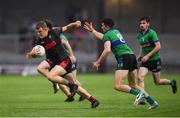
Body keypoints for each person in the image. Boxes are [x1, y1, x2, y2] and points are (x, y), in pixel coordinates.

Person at [84, 18, 158, 109]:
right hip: (131, 56)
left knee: (118, 85)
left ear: (107, 26)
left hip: (123, 58)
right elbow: (104, 37)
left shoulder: (107, 35)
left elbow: (107, 50)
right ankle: (152, 102)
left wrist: (98, 62)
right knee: (133, 85)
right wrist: (93, 31)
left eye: (102, 25)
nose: (101, 27)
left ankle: (139, 94)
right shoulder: (115, 31)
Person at [26, 20, 99, 108]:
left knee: (52, 77)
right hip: (53, 62)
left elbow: (67, 27)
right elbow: (36, 55)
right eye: (37, 32)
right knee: (40, 68)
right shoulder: (39, 41)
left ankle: (69, 85)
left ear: (45, 29)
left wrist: (76, 24)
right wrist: (32, 55)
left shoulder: (54, 32)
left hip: (64, 61)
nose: (38, 33)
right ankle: (93, 100)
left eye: (40, 31)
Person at [44, 18, 85, 102]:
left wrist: (72, 55)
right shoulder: (49, 36)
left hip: (67, 59)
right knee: (64, 80)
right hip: (60, 60)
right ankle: (72, 95)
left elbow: (67, 44)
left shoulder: (58, 35)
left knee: (73, 80)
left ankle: (83, 94)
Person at [136, 16, 177, 94]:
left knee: (157, 82)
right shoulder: (139, 35)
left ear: (148, 24)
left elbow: (158, 46)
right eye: (140, 23)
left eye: (144, 23)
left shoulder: (152, 33)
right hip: (145, 61)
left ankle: (172, 82)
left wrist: (148, 56)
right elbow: (142, 46)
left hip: (155, 60)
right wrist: (140, 55)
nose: (142, 25)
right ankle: (142, 97)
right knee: (140, 77)